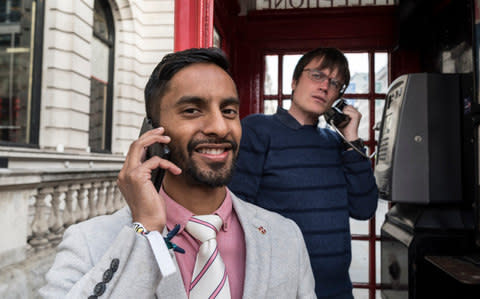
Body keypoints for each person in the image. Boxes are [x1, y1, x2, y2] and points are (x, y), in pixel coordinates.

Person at [39, 48, 316, 299]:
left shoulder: (285, 235)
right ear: (152, 133)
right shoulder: (89, 241)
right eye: (192, 110)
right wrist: (144, 231)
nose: (220, 127)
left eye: (229, 110)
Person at [229, 47, 378, 299]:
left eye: (335, 83)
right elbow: (237, 211)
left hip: (336, 289)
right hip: (280, 288)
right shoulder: (257, 130)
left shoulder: (337, 143)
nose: (325, 87)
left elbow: (364, 209)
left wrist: (352, 139)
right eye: (318, 75)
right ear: (295, 81)